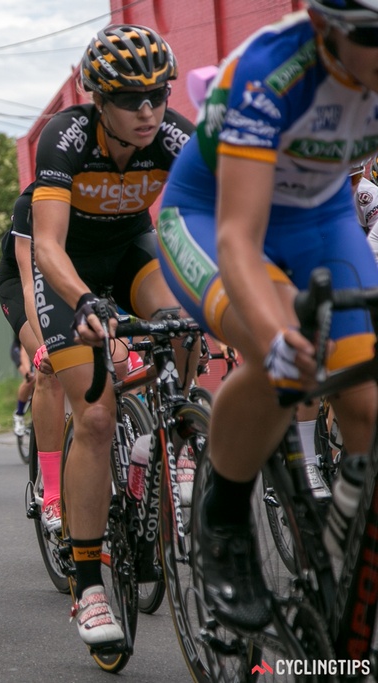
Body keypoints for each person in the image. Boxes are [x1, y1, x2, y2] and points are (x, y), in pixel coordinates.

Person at [156, 0, 378, 632]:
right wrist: (278, 335)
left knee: (366, 400)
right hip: (211, 215)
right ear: (324, 29)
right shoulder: (271, 69)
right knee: (282, 348)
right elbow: (237, 239)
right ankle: (223, 518)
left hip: (321, 218)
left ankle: (345, 567)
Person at [30, 25, 196, 649]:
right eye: (130, 99)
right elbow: (46, 245)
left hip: (130, 252)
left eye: (157, 94)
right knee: (96, 417)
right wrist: (83, 300)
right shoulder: (66, 138)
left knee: (183, 313)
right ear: (99, 100)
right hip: (69, 272)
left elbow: (220, 216)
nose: (148, 110)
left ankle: (172, 439)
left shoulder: (175, 135)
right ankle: (87, 584)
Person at [0, 183, 69, 532]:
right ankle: (52, 491)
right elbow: (29, 283)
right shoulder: (32, 202)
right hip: (24, 281)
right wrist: (45, 346)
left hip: (69, 275)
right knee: (49, 369)